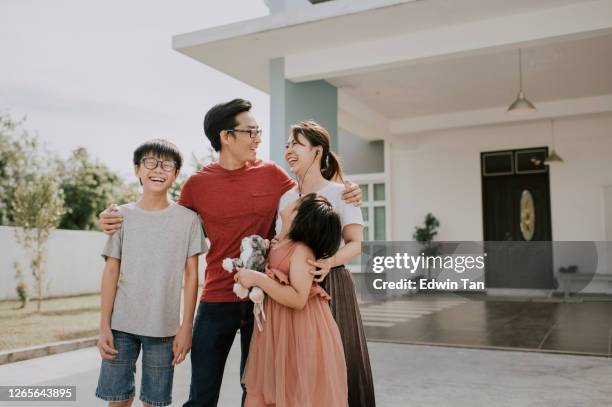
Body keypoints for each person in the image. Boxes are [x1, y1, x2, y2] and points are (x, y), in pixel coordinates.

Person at [98, 99, 362, 407]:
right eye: (250, 131)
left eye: (258, 131)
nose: (258, 139)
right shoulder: (197, 185)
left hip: (265, 302)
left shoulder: (274, 175)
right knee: (201, 396)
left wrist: (346, 189)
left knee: (256, 393)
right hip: (216, 299)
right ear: (226, 136)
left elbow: (310, 195)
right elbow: (164, 219)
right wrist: (113, 216)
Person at [95, 139, 207, 407]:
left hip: (164, 328)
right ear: (137, 170)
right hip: (121, 326)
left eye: (167, 164)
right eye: (150, 162)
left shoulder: (188, 220)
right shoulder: (120, 216)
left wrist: (186, 327)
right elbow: (111, 271)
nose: (158, 169)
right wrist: (103, 326)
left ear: (177, 174)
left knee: (155, 402)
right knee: (118, 400)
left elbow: (192, 275)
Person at [278, 121, 376, 407]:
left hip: (331, 284)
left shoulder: (341, 192)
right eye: (287, 145)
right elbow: (281, 242)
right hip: (292, 288)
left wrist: (328, 263)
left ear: (317, 151)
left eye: (296, 143)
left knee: (338, 360)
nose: (289, 150)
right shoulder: (285, 197)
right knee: (300, 365)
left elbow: (356, 243)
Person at [235, 193, 348, 407]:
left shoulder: (301, 251)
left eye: (297, 202)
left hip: (299, 329)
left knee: (295, 390)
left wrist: (258, 278)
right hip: (276, 328)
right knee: (267, 389)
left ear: (299, 216)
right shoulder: (277, 243)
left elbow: (298, 298)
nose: (291, 201)